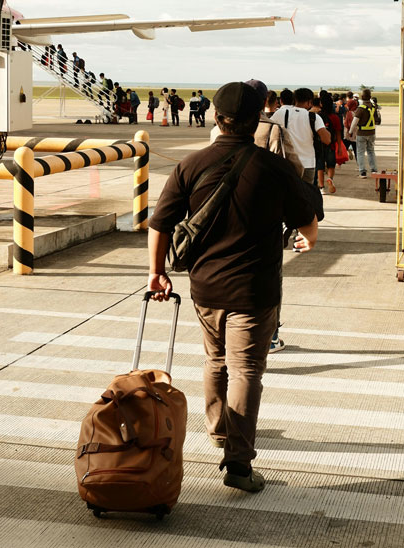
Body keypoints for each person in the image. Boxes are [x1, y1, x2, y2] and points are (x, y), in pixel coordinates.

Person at [147, 81, 318, 493]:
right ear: (259, 116)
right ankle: (238, 464)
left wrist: (156, 271)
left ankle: (220, 433)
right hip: (255, 292)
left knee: (216, 362)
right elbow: (308, 220)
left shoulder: (191, 165)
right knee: (246, 370)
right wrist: (307, 239)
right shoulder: (275, 168)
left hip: (205, 288)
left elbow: (160, 225)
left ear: (217, 117)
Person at [270, 87, 331, 187]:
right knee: (306, 196)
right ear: (309, 102)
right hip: (308, 164)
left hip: (287, 163)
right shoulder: (314, 117)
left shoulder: (281, 113)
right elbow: (327, 140)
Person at [347, 88, 379, 178]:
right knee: (371, 151)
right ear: (370, 97)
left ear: (362, 97)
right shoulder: (374, 106)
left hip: (361, 133)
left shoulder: (361, 109)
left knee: (360, 152)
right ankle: (374, 170)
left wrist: (350, 132)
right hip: (372, 132)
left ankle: (362, 172)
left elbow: (355, 122)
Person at [317, 93, 341, 194]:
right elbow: (338, 132)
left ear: (321, 104)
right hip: (331, 145)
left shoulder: (317, 116)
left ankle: (322, 187)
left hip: (319, 145)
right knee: (331, 165)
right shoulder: (335, 117)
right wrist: (339, 146)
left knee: (320, 167)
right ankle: (330, 178)